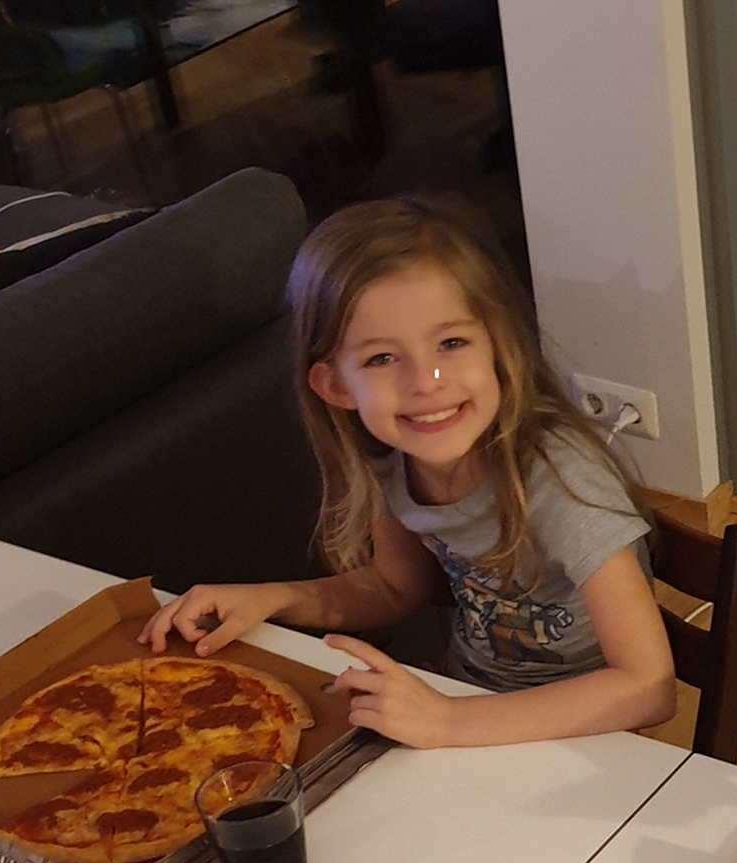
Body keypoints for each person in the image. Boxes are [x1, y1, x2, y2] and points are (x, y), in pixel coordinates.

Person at [140, 198, 675, 748]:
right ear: (335, 386)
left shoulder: (562, 481)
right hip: (462, 703)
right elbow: (394, 588)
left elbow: (648, 686)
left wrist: (447, 723)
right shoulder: (389, 461)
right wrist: (271, 598)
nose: (427, 381)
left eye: (451, 343)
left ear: (498, 343)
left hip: (586, 737)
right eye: (381, 358)